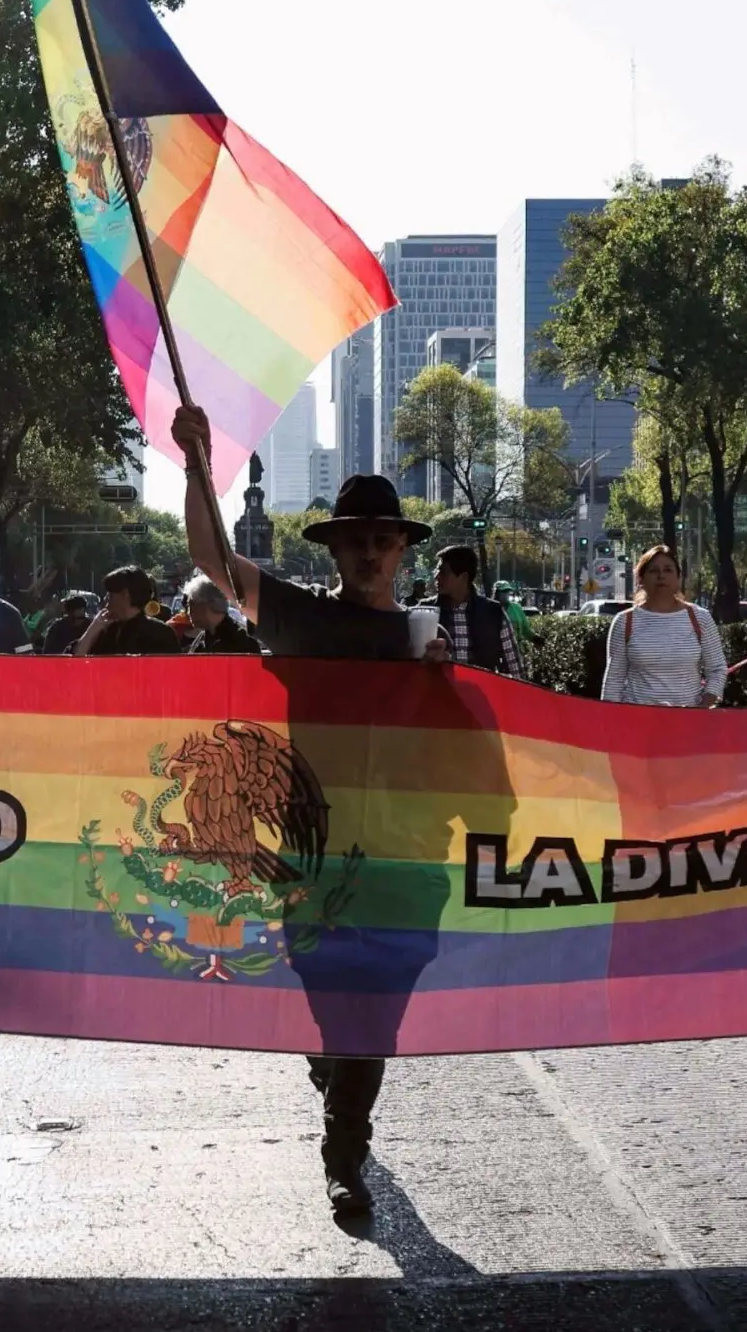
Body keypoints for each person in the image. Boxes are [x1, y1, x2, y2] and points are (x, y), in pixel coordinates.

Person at [177, 406, 452, 1219]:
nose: (370, 550)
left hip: (408, 857)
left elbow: (460, 744)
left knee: (375, 1013)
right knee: (336, 1004)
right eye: (355, 538)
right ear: (332, 548)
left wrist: (442, 682)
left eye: (384, 538)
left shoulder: (423, 633)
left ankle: (344, 1150)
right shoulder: (298, 615)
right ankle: (337, 1095)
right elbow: (209, 559)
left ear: (402, 549)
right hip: (315, 856)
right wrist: (197, 463)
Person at [601, 544, 727, 707]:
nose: (661, 576)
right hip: (637, 720)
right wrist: (607, 722)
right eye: (653, 571)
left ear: (678, 578)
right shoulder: (624, 621)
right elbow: (614, 679)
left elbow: (717, 669)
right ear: (641, 578)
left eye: (668, 570)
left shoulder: (699, 617)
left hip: (689, 721)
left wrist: (703, 707)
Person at [419, 545, 526, 678]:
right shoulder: (425, 612)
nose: (436, 576)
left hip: (480, 694)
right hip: (438, 694)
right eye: (436, 570)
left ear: (463, 577)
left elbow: (514, 665)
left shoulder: (493, 612)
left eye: (443, 572)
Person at [79, 566, 185, 656]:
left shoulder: (160, 633)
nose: (106, 600)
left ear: (124, 594)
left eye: (110, 594)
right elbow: (74, 660)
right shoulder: (105, 630)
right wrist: (93, 629)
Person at [181, 576, 261, 654]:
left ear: (207, 604)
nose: (188, 612)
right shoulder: (202, 638)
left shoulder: (242, 641)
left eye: (191, 605)